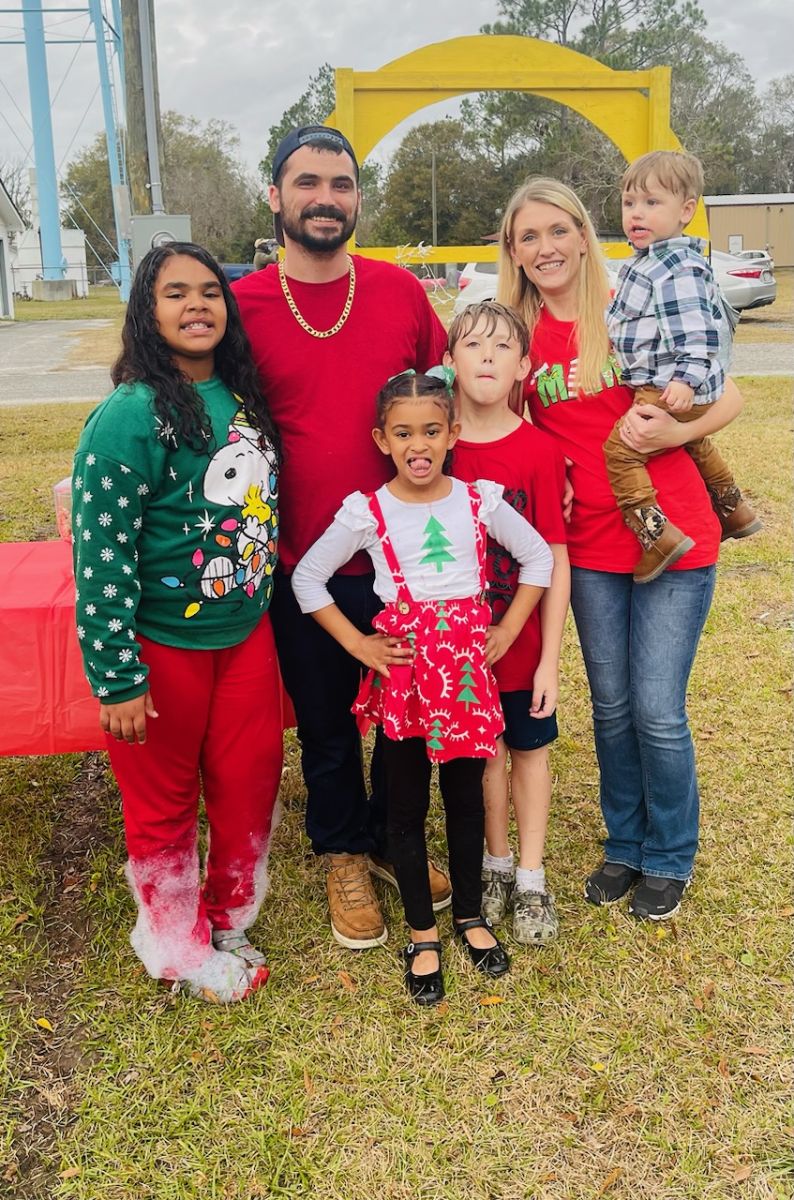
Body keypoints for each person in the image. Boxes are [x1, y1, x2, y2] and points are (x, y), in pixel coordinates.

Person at [496, 177, 745, 921]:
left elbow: (727, 395)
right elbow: (503, 429)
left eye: (558, 230)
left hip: (671, 533)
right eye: (528, 236)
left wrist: (674, 430)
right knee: (611, 706)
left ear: (583, 232)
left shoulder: (631, 301)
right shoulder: (514, 330)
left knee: (659, 709)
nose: (546, 248)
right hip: (588, 546)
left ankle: (670, 855)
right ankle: (626, 845)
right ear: (513, 250)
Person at [232, 126, 450, 951]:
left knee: (406, 715)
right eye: (308, 182)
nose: (326, 197)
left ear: (357, 197)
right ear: (276, 196)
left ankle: (397, 841)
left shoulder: (397, 292)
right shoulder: (242, 305)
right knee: (325, 719)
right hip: (302, 563)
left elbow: (449, 400)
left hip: (411, 559)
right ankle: (342, 851)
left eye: (342, 183)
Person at [291, 372, 553, 1003]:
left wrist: (508, 629)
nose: (419, 445)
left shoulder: (478, 502)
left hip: (464, 678)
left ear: (453, 434)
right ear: (382, 439)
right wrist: (359, 646)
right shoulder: (368, 511)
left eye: (432, 431)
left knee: (465, 800)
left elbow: (539, 557)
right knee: (405, 807)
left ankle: (469, 915)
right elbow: (307, 579)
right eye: (404, 432)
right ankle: (422, 930)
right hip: (406, 681)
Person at [72, 242, 283, 1002]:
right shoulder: (128, 417)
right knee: (163, 804)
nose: (198, 305)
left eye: (211, 293)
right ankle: (174, 944)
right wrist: (117, 677)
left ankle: (228, 917)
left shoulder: (241, 398)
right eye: (175, 294)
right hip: (162, 649)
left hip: (246, 637)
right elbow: (98, 559)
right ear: (147, 312)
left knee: (249, 781)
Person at [448, 301, 570, 944]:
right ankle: (493, 864)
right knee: (483, 753)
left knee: (529, 749)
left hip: (522, 647)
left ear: (524, 365)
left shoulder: (539, 453)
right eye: (473, 345)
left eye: (501, 346)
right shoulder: (432, 448)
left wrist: (549, 656)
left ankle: (529, 875)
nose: (488, 355)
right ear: (449, 363)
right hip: (461, 649)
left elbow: (553, 554)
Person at [604, 150, 761, 582]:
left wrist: (685, 380)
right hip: (673, 383)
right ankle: (734, 510)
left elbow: (697, 330)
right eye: (629, 202)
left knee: (620, 452)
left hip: (669, 384)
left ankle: (656, 537)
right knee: (696, 445)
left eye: (652, 203)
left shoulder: (674, 266)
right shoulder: (650, 260)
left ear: (686, 211)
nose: (637, 213)